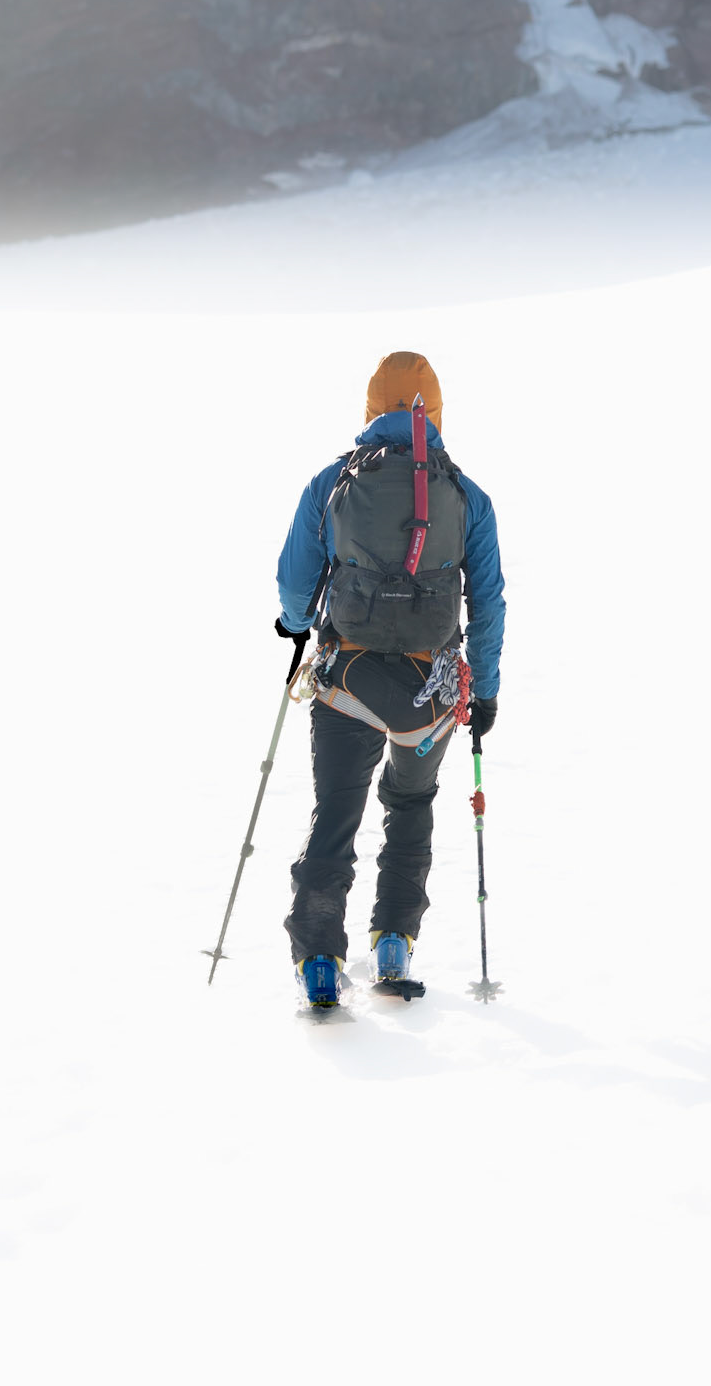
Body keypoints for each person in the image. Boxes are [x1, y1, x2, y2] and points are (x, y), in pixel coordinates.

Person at [276, 351, 504, 1007]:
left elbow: (294, 583)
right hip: (427, 699)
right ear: (432, 412)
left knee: (336, 817)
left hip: (343, 679)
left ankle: (319, 959)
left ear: (373, 409)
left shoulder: (333, 482)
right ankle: (393, 945)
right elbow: (487, 601)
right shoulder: (467, 496)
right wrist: (483, 690)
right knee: (410, 809)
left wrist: (298, 624)